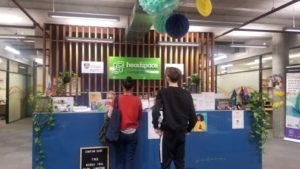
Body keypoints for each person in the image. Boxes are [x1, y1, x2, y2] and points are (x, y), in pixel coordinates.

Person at [152, 67, 197, 169]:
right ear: (179, 78)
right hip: (181, 134)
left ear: (167, 78)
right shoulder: (187, 93)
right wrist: (188, 129)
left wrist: (156, 126)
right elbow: (193, 118)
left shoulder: (162, 92)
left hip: (167, 134)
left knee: (165, 165)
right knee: (180, 164)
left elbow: (155, 112)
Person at [108, 76, 143, 169]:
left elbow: (109, 115)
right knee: (129, 159)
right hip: (132, 134)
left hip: (119, 133)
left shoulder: (116, 99)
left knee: (119, 159)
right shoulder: (137, 100)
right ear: (133, 87)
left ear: (122, 86)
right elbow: (140, 117)